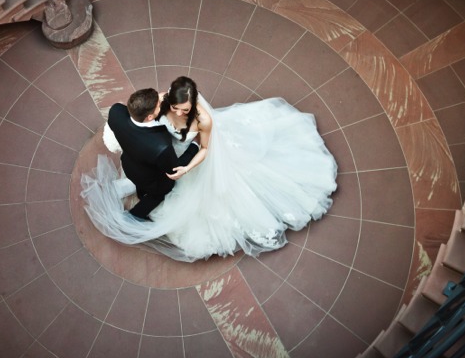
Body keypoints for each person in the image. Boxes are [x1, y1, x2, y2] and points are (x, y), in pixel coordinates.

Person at [82, 76, 338, 261]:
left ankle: (137, 206)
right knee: (154, 176)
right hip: (161, 156)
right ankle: (137, 197)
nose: (177, 112)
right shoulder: (161, 104)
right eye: (173, 108)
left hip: (185, 154)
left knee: (170, 182)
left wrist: (186, 166)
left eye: (183, 109)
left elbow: (204, 148)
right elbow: (155, 115)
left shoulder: (203, 120)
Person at [106, 88, 199, 220]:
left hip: (128, 164)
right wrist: (194, 146)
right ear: (149, 116)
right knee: (157, 195)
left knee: (141, 184)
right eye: (158, 105)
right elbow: (174, 169)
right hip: (153, 181)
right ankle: (135, 215)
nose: (161, 103)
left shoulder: (116, 111)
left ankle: (140, 192)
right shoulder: (161, 145)